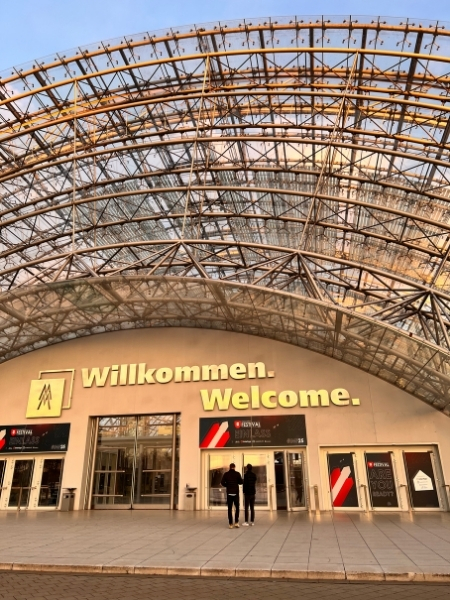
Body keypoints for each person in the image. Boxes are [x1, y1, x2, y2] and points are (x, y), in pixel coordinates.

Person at [221, 462, 243, 528]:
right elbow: (241, 482)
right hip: (235, 493)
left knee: (229, 508)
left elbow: (222, 482)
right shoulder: (237, 474)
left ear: (229, 467)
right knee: (237, 508)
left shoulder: (226, 474)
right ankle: (236, 522)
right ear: (234, 467)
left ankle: (230, 523)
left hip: (229, 493)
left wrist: (227, 485)